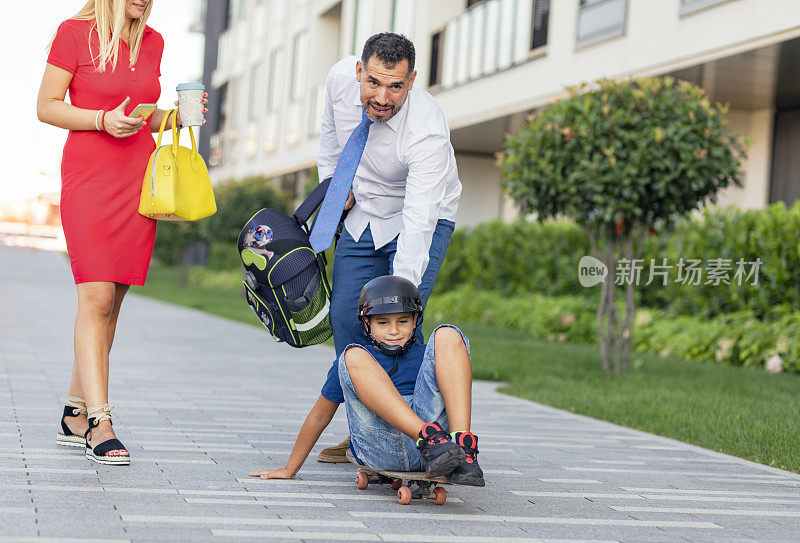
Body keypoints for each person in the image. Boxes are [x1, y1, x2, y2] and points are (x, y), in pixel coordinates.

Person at [36, 0, 206, 465]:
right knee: (95, 299)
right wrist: (99, 119)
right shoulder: (74, 33)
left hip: (138, 180)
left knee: (112, 307)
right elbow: (46, 107)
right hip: (90, 178)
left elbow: (142, 114)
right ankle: (100, 422)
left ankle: (74, 413)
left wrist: (174, 117)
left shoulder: (153, 42)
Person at [315, 33, 462, 462]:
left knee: (395, 329)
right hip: (362, 209)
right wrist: (334, 186)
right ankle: (364, 429)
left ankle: (422, 434)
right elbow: (329, 138)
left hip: (420, 216)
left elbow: (419, 220)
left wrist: (398, 302)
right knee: (346, 319)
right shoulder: (340, 80)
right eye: (374, 83)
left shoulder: (427, 133)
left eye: (395, 86)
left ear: (411, 80)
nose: (382, 97)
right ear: (359, 71)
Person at [250, 275, 485, 487]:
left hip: (442, 452)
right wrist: (290, 468)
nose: (393, 331)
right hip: (382, 449)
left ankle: (463, 448)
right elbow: (319, 416)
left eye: (402, 321)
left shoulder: (429, 356)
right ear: (367, 325)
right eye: (383, 323)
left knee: (448, 333)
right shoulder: (357, 362)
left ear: (415, 322)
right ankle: (427, 436)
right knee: (351, 354)